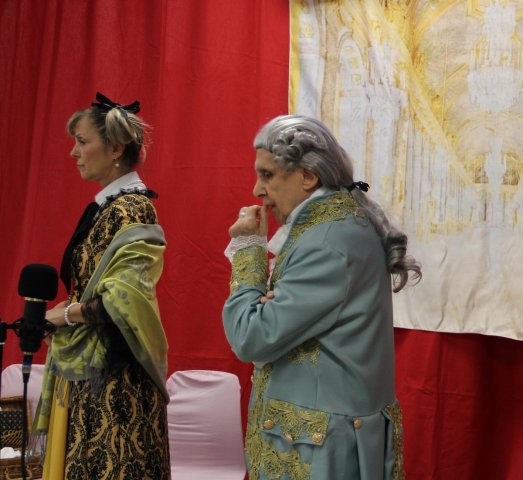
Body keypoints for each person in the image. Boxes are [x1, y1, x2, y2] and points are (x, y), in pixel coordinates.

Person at [222, 114, 421, 479]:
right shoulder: (333, 226)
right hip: (320, 437)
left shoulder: (326, 242)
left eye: (267, 175)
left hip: (320, 450)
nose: (257, 190)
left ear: (308, 177)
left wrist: (248, 249)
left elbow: (250, 337)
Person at [34, 92, 171, 479]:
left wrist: (66, 316)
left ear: (115, 149)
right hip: (96, 374)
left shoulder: (131, 208)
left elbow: (122, 300)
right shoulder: (110, 207)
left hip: (117, 382)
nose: (74, 152)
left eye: (82, 141)